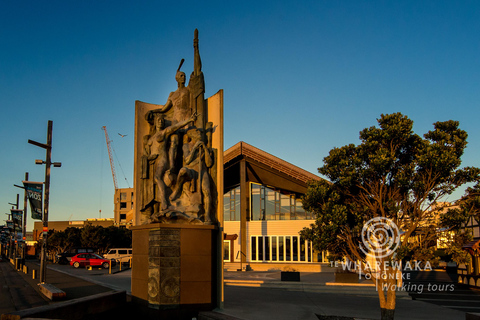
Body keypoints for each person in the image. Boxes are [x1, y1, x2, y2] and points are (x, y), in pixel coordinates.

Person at [142, 112, 197, 213]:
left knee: (157, 178)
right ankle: (160, 202)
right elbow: (147, 151)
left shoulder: (164, 133)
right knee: (156, 181)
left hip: (162, 159)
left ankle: (164, 201)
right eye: (158, 120)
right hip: (154, 162)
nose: (160, 122)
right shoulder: (151, 138)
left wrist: (189, 120)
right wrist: (149, 157)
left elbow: (175, 126)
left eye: (162, 120)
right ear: (154, 122)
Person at [169, 128, 214, 222]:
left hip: (202, 170)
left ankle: (207, 215)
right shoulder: (186, 146)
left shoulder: (204, 147)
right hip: (191, 169)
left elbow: (209, 163)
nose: (200, 135)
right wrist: (194, 148)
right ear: (192, 135)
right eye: (198, 133)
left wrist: (205, 149)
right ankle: (177, 189)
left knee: (207, 191)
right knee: (182, 171)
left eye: (201, 133)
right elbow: (187, 160)